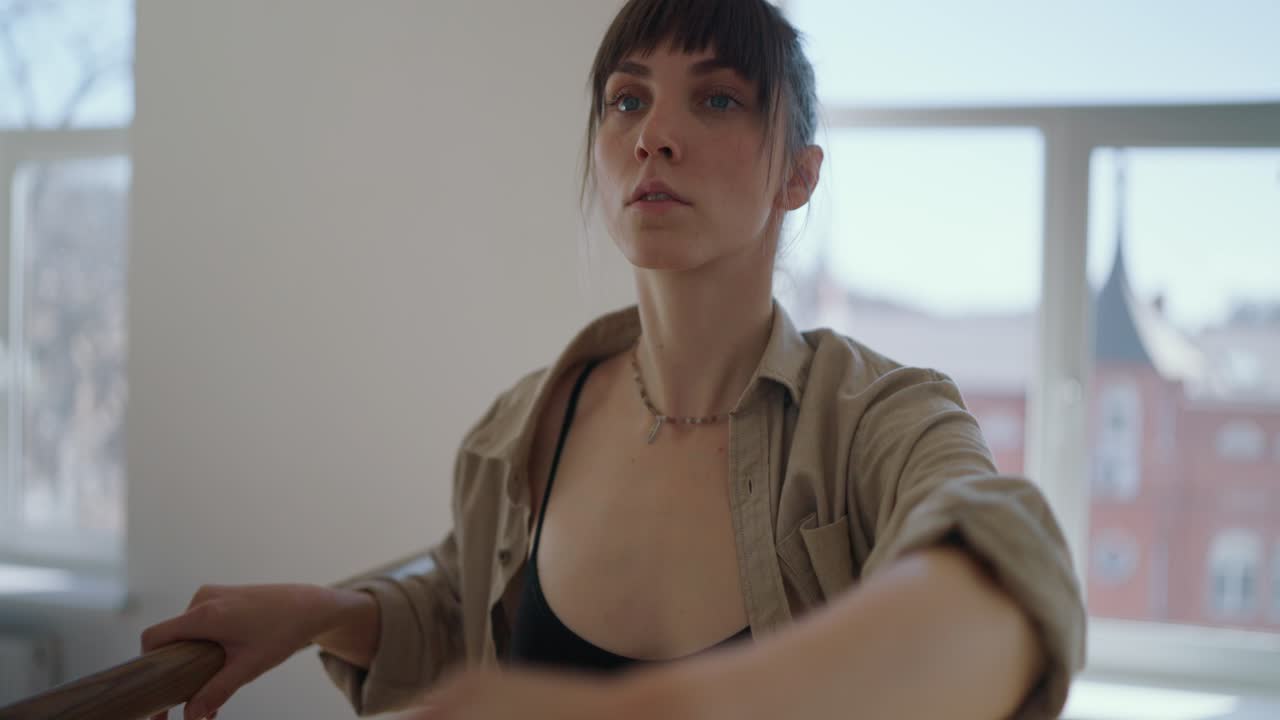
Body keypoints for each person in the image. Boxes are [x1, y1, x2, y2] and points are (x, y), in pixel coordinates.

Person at [141, 1, 1086, 718]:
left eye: (716, 98)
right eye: (627, 99)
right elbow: (466, 606)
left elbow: (999, 587)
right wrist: (318, 611)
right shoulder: (523, 426)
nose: (653, 135)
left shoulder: (883, 418)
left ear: (799, 174)